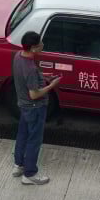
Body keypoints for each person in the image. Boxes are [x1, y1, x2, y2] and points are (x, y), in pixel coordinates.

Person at [11, 31, 60, 185]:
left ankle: (19, 165)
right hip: (35, 107)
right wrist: (51, 85)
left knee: (22, 135)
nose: (42, 45)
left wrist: (43, 76)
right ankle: (30, 174)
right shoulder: (31, 68)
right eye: (40, 43)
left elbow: (25, 77)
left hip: (23, 105)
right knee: (34, 140)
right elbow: (34, 94)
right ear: (33, 48)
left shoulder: (18, 56)